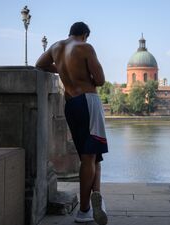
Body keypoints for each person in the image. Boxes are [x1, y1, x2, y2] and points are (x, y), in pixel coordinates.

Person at [35, 22, 108, 225]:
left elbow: (39, 64)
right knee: (89, 156)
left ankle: (97, 196)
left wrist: (61, 68)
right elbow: (100, 80)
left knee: (93, 155)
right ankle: (85, 210)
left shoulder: (56, 47)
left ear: (70, 33)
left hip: (71, 104)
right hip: (88, 101)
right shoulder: (85, 47)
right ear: (84, 35)